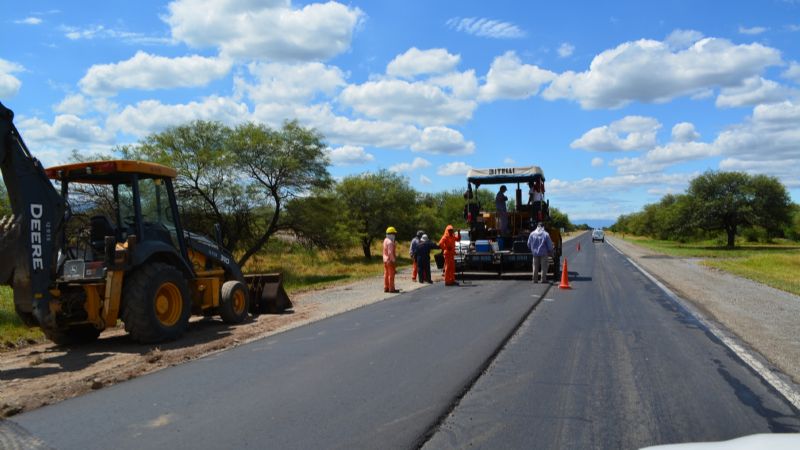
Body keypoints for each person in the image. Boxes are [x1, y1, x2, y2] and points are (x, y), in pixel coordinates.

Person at [383, 226, 399, 293]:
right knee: (391, 275)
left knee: (386, 274)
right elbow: (390, 252)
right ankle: (391, 289)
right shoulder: (390, 242)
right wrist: (393, 260)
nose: (394, 235)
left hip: (385, 260)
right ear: (391, 234)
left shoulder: (385, 240)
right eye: (394, 234)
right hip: (390, 261)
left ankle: (386, 288)